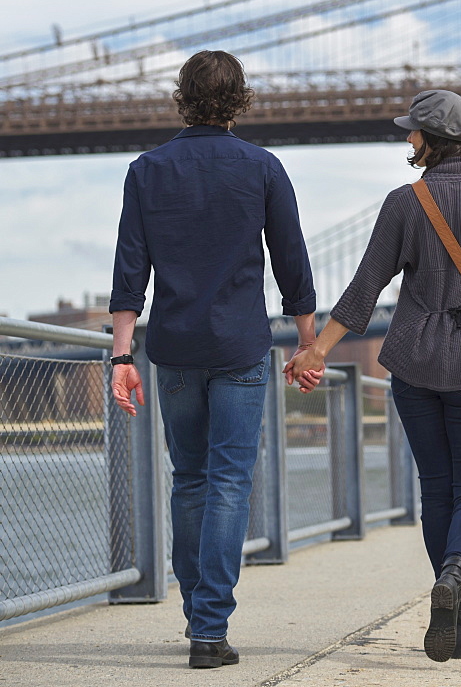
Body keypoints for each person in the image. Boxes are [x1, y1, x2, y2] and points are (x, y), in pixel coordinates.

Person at [285, 88, 461, 663]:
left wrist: (318, 351)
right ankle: (456, 574)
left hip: (414, 362)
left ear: (429, 139)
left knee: (437, 488)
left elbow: (364, 289)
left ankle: (459, 611)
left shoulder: (405, 201)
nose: (408, 139)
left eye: (412, 132)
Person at [109, 50, 320, 670]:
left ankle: (197, 618)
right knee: (229, 482)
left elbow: (129, 269)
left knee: (190, 481)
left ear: (182, 96)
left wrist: (122, 355)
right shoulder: (262, 167)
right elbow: (292, 261)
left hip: (172, 350)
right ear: (240, 99)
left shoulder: (146, 170)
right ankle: (209, 629)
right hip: (239, 348)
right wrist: (307, 342)